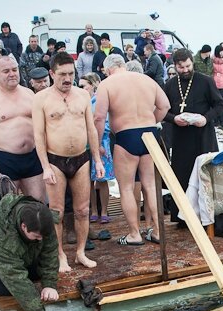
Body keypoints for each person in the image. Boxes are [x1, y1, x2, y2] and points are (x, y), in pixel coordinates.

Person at [33, 52, 105, 271]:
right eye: (62, 74)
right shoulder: (41, 99)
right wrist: (45, 166)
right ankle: (60, 254)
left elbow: (91, 129)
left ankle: (80, 252)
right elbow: (39, 135)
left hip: (81, 159)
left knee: (83, 210)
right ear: (51, 73)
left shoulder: (82, 95)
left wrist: (97, 159)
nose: (67, 78)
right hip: (55, 159)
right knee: (57, 211)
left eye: (70, 73)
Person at [94, 54, 170, 245]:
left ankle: (134, 233)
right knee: (151, 186)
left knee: (126, 187)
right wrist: (151, 121)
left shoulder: (107, 84)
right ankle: (158, 231)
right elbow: (165, 106)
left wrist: (96, 144)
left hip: (126, 136)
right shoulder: (146, 80)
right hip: (150, 134)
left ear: (108, 69)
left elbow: (99, 117)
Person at [162, 48, 223, 228]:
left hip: (203, 137)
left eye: (188, 66)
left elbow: (219, 105)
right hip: (181, 139)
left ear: (192, 63)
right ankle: (182, 217)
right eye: (180, 67)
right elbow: (162, 110)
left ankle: (206, 218)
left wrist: (205, 118)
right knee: (182, 176)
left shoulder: (205, 81)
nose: (185, 70)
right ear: (175, 66)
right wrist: (174, 118)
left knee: (203, 176)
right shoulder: (171, 85)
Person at [0, 55, 46, 202]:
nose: (12, 74)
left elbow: (42, 126)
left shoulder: (29, 94)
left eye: (14, 69)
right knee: (6, 207)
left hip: (32, 157)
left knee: (38, 203)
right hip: (4, 159)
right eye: (6, 71)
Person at [80, 73, 114, 227]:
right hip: (84, 143)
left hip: (101, 141)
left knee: (102, 178)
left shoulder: (99, 101)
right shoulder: (80, 101)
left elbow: (105, 122)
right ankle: (94, 210)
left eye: (83, 86)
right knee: (88, 179)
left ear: (92, 85)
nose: (80, 89)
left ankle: (104, 211)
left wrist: (99, 143)